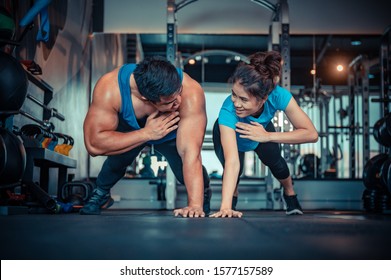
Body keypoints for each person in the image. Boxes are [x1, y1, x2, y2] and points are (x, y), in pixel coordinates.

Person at [81, 56, 211, 217]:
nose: (178, 102)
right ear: (146, 99)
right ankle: (101, 193)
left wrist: (195, 205)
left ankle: (204, 192)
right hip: (132, 129)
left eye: (179, 93)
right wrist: (147, 133)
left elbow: (191, 153)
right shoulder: (110, 88)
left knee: (182, 168)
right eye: (170, 101)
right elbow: (94, 145)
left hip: (171, 130)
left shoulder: (191, 91)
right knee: (117, 162)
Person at [210, 51, 318, 218]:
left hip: (262, 132)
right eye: (233, 94)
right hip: (230, 135)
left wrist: (267, 136)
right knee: (233, 172)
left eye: (244, 100)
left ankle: (290, 194)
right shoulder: (227, 111)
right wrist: (224, 208)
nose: (236, 103)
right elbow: (232, 162)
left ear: (263, 99)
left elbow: (311, 134)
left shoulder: (278, 95)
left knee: (277, 164)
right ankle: (230, 203)